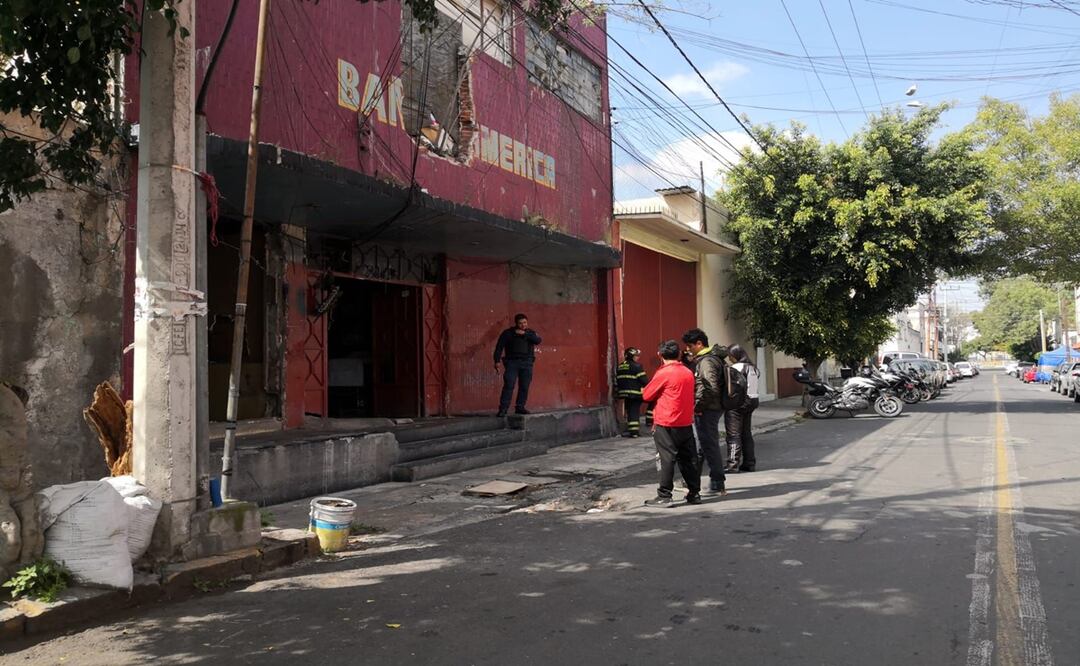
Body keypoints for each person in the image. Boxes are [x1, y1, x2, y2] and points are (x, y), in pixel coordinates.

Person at [641, 340, 701, 506]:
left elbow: (647, 395)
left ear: (660, 355)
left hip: (666, 422)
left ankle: (664, 495)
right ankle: (694, 493)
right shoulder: (687, 372)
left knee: (667, 459)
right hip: (685, 421)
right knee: (688, 459)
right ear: (679, 354)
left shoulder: (664, 373)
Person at [681, 328, 728, 495]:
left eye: (690, 346)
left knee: (709, 445)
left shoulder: (706, 362)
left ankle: (717, 482)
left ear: (699, 343)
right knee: (702, 445)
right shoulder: (712, 359)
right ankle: (692, 480)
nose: (688, 350)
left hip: (708, 409)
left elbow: (710, 388)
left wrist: (698, 407)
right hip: (711, 407)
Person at [493, 313, 541, 417]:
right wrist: (496, 361)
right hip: (512, 363)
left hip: (527, 363)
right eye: (520, 323)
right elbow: (499, 347)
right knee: (509, 385)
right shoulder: (508, 333)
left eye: (525, 322)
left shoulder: (530, 333)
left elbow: (538, 340)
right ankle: (503, 409)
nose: (523, 325)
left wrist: (525, 334)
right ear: (516, 323)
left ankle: (520, 407)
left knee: (524, 386)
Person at [725, 344, 761, 472]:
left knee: (734, 434)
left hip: (737, 404)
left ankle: (732, 464)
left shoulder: (735, 368)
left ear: (735, 355)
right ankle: (749, 462)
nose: (729, 358)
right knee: (746, 433)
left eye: (730, 356)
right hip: (752, 401)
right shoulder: (753, 368)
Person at [615, 347, 648, 437]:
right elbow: (644, 380)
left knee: (629, 411)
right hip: (635, 393)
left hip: (624, 393)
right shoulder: (637, 366)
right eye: (636, 356)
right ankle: (634, 432)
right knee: (634, 411)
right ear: (632, 356)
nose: (637, 358)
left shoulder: (620, 366)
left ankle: (631, 430)